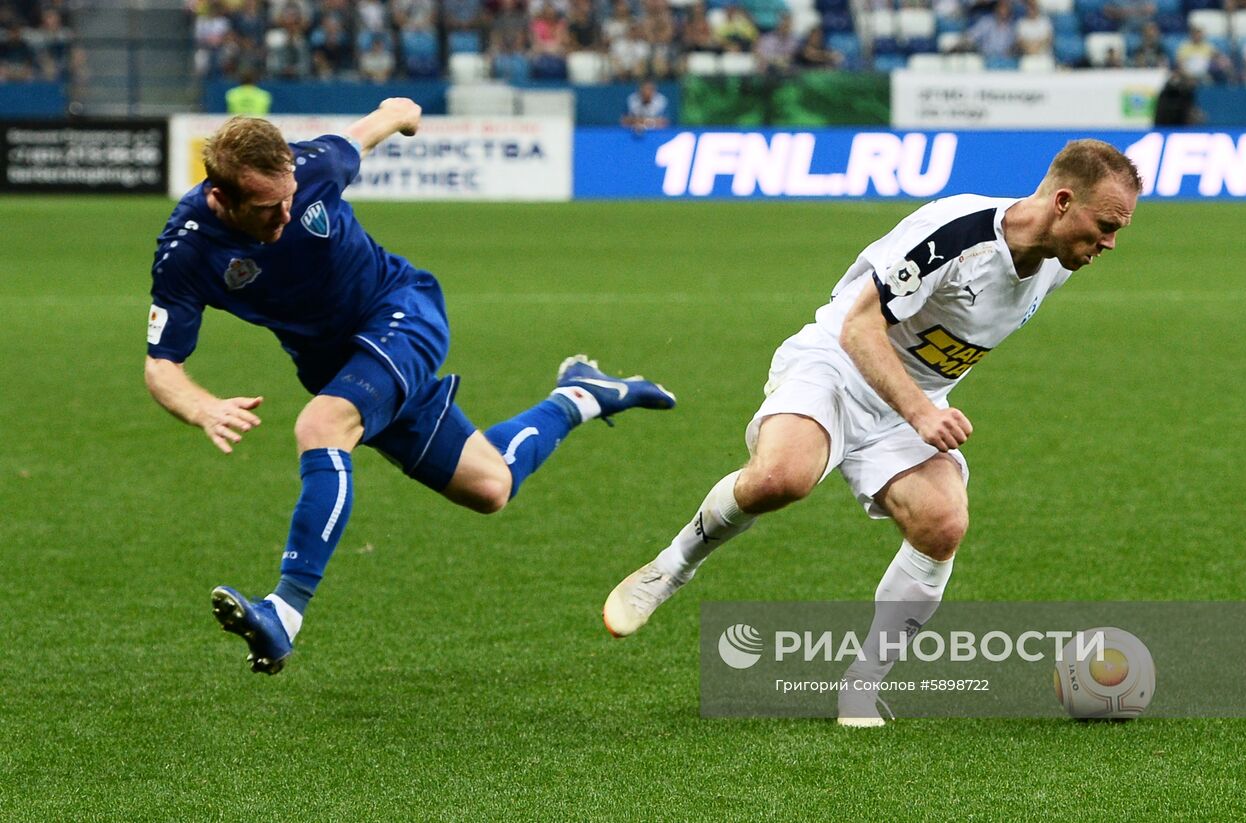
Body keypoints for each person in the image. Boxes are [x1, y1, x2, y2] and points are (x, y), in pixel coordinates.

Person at [601, 139, 1141, 727]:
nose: (1110, 244)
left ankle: (861, 684)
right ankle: (671, 567)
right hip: (838, 364)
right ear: (1063, 201)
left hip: (910, 401)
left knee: (943, 523)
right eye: (1106, 225)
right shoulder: (956, 233)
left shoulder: (1057, 265)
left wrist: (918, 406)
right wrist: (920, 412)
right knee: (780, 479)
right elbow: (860, 327)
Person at [145, 100, 676, 675]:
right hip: (338, 367)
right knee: (490, 486)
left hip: (401, 314)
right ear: (221, 198)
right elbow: (161, 365)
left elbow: (365, 131)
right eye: (266, 209)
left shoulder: (315, 166)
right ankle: (583, 395)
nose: (285, 215)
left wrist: (399, 112)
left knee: (321, 426)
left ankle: (284, 612)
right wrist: (202, 408)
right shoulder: (187, 250)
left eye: (290, 197)